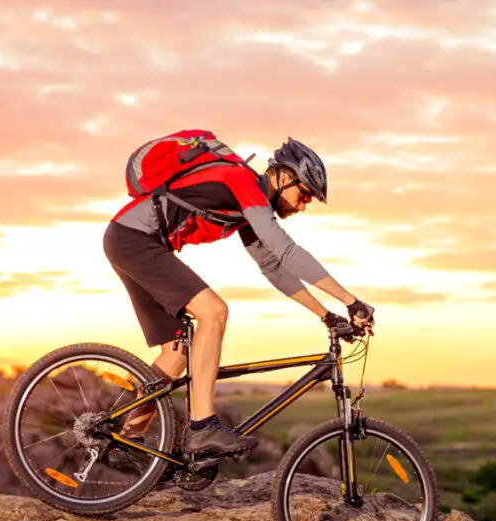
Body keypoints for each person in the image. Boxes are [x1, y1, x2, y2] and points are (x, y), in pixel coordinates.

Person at [103, 135, 375, 461]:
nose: (303, 206)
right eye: (303, 195)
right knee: (214, 312)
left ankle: (120, 440)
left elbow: (273, 267)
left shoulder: (248, 208)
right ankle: (202, 426)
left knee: (176, 351)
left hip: (133, 242)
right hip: (134, 240)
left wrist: (325, 314)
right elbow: (287, 251)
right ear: (283, 177)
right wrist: (350, 300)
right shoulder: (241, 181)